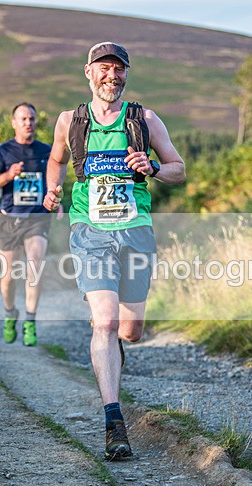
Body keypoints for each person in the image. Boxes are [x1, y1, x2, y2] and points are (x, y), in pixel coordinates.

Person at [43, 42, 185, 460]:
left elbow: (178, 169)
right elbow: (55, 159)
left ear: (126, 75)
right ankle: (113, 421)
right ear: (88, 72)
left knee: (129, 330)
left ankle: (115, 352)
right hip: (90, 231)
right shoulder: (72, 121)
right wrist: (53, 189)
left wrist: (154, 168)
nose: (112, 76)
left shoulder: (145, 119)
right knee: (103, 323)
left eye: (119, 70)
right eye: (104, 68)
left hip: (136, 230)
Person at [0, 102, 52, 347]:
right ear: (14, 123)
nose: (28, 123)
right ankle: (10, 313)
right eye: (23, 119)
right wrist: (8, 176)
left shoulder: (46, 151)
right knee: (8, 276)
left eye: (31, 118)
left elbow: (54, 180)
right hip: (9, 219)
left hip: (37, 218)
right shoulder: (2, 152)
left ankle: (30, 321)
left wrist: (56, 198)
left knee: (35, 266)